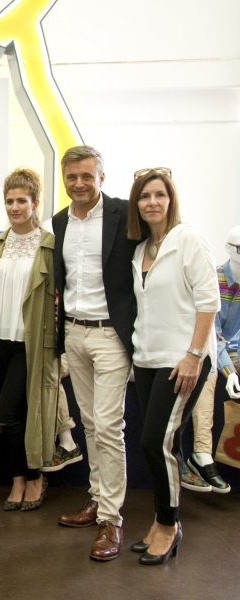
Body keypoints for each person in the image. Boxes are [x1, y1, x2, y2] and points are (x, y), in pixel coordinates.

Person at [126, 168, 219, 565]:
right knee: (165, 443)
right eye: (145, 196)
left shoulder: (188, 239)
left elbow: (209, 301)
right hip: (148, 360)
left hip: (182, 361)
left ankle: (168, 525)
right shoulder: (140, 250)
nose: (152, 202)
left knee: (155, 441)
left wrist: (194, 355)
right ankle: (162, 520)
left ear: (171, 199)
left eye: (159, 195)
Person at [52, 145, 138, 561]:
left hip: (111, 336)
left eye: (88, 176)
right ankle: (98, 499)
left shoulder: (124, 214)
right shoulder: (60, 221)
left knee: (107, 425)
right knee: (89, 423)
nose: (80, 184)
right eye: (72, 177)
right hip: (74, 332)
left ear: (102, 177)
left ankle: (111, 519)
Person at [0, 168, 58, 511]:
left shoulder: (48, 245)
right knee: (6, 416)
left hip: (30, 343)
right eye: (9, 201)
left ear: (35, 203)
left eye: (21, 201)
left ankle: (35, 477)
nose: (14, 207)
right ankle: (17, 479)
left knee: (12, 415)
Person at [184, 224, 240, 492]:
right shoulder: (213, 278)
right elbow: (211, 335)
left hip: (232, 349)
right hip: (206, 346)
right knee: (208, 374)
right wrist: (229, 369)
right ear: (230, 249)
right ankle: (202, 452)